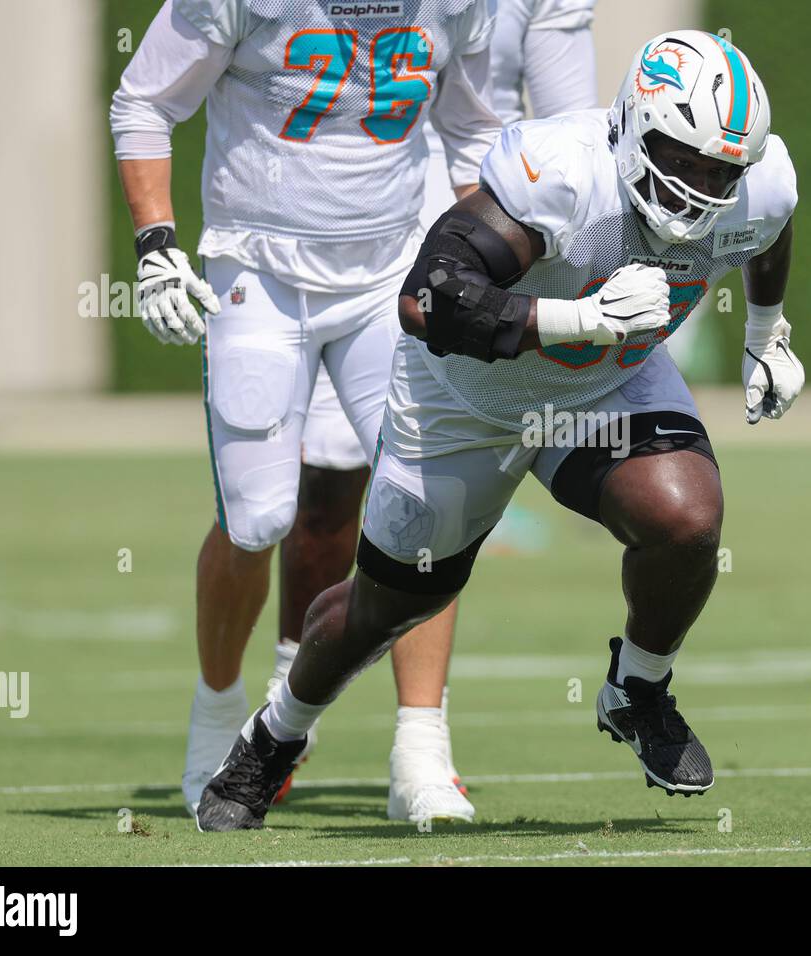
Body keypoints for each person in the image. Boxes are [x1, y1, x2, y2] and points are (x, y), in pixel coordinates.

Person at [196, 30, 804, 831]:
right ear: (632, 125)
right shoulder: (563, 173)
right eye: (681, 160)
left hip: (604, 385)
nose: (697, 189)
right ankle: (274, 735)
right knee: (385, 610)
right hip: (464, 399)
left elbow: (765, 231)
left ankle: (639, 688)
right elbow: (427, 298)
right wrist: (574, 317)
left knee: (687, 520)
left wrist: (767, 331)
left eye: (719, 171)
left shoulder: (761, 186)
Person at [109, 0, 499, 819]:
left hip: (390, 269)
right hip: (260, 267)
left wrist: (493, 258)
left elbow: (470, 131)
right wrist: (155, 243)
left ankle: (422, 753)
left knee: (431, 505)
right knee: (257, 521)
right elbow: (145, 100)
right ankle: (219, 717)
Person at [279, 0, 599, 822]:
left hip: (490, 214)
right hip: (351, 216)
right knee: (320, 498)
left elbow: (568, 120)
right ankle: (287, 706)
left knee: (433, 485)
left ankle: (421, 747)